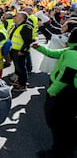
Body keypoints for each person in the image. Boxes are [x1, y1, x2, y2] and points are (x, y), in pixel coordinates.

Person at [31, 28, 77, 158]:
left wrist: (52, 91)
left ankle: (59, 152)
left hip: (65, 93)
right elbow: (54, 53)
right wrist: (39, 47)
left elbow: (66, 77)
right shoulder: (71, 51)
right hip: (69, 92)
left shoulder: (73, 54)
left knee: (58, 124)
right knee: (68, 123)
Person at [8, 11, 33, 91]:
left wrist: (23, 51)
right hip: (14, 50)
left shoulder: (26, 27)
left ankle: (22, 85)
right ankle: (19, 81)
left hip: (20, 51)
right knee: (17, 68)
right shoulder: (16, 25)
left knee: (21, 68)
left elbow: (28, 41)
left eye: (16, 15)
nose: (14, 16)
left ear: (21, 18)